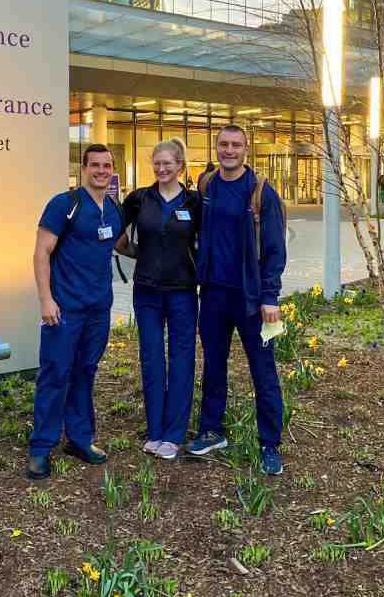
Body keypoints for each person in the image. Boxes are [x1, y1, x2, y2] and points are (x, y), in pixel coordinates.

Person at [187, 125, 287, 475]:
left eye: (236, 145)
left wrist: (269, 295)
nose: (229, 150)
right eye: (223, 144)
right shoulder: (207, 186)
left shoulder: (261, 192)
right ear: (216, 148)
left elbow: (275, 248)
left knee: (263, 373)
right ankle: (212, 431)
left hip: (252, 300)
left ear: (246, 149)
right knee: (213, 366)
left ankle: (270, 444)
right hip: (213, 294)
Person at [27, 144, 124, 479]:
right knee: (55, 374)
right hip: (64, 308)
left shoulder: (112, 208)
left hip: (98, 308)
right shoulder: (63, 205)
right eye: (95, 165)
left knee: (85, 372)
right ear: (84, 168)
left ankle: (80, 438)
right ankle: (41, 447)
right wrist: (45, 299)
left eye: (107, 165)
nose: (101, 170)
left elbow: (121, 245)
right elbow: (41, 253)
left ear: (113, 169)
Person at [117, 139, 201, 460]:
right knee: (151, 357)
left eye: (168, 163)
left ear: (180, 165)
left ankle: (174, 434)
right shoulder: (139, 199)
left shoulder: (194, 203)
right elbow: (116, 234)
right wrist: (140, 254)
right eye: (157, 163)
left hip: (182, 291)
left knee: (181, 358)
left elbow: (205, 243)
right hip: (147, 291)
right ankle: (155, 431)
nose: (162, 169)